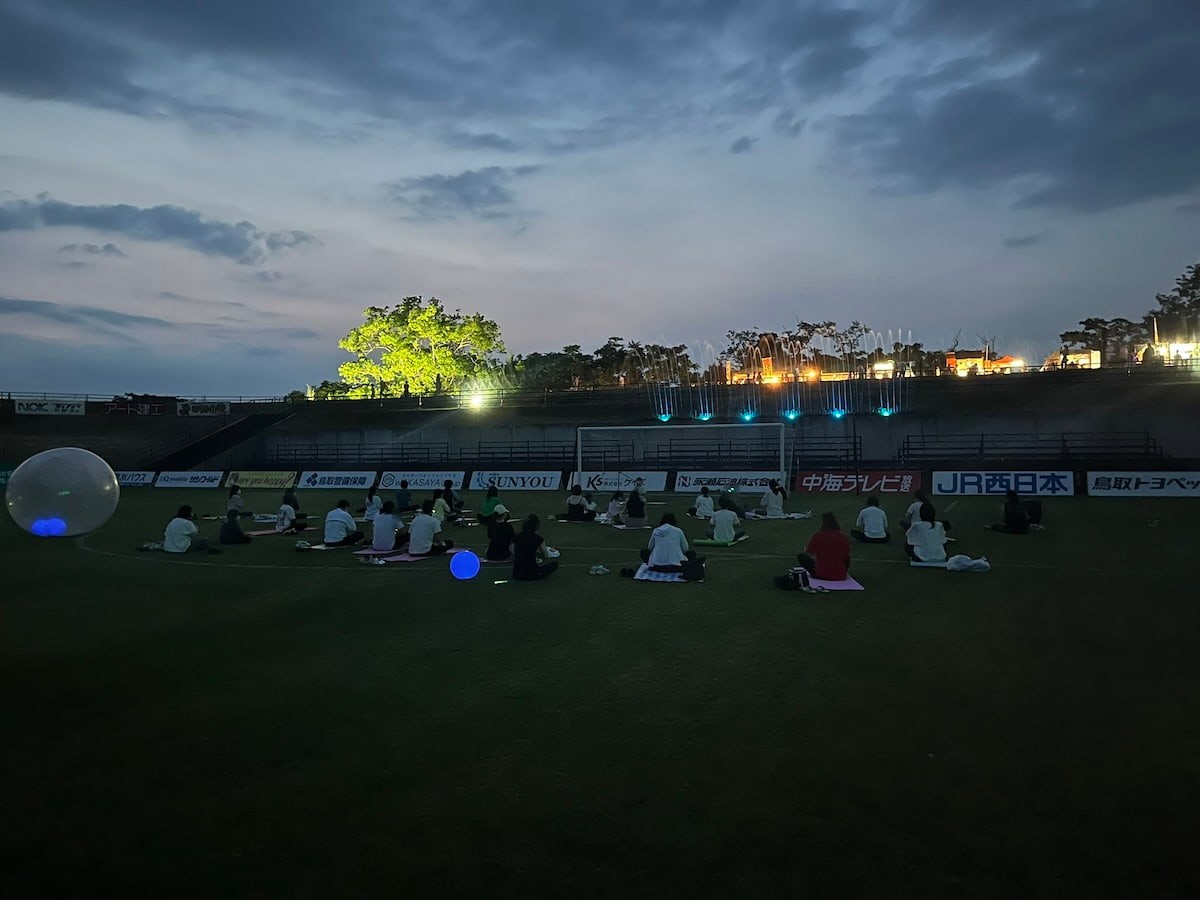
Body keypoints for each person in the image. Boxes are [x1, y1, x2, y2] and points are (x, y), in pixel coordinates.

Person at [797, 512, 851, 581]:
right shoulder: (843, 537)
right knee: (846, 559)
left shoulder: (818, 535)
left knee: (802, 557)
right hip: (840, 575)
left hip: (821, 574)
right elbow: (846, 557)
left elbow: (808, 551)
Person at [512, 514, 558, 580]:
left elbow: (513, 551)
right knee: (554, 564)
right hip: (533, 573)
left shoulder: (516, 537)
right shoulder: (538, 539)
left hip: (516, 574)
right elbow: (546, 555)